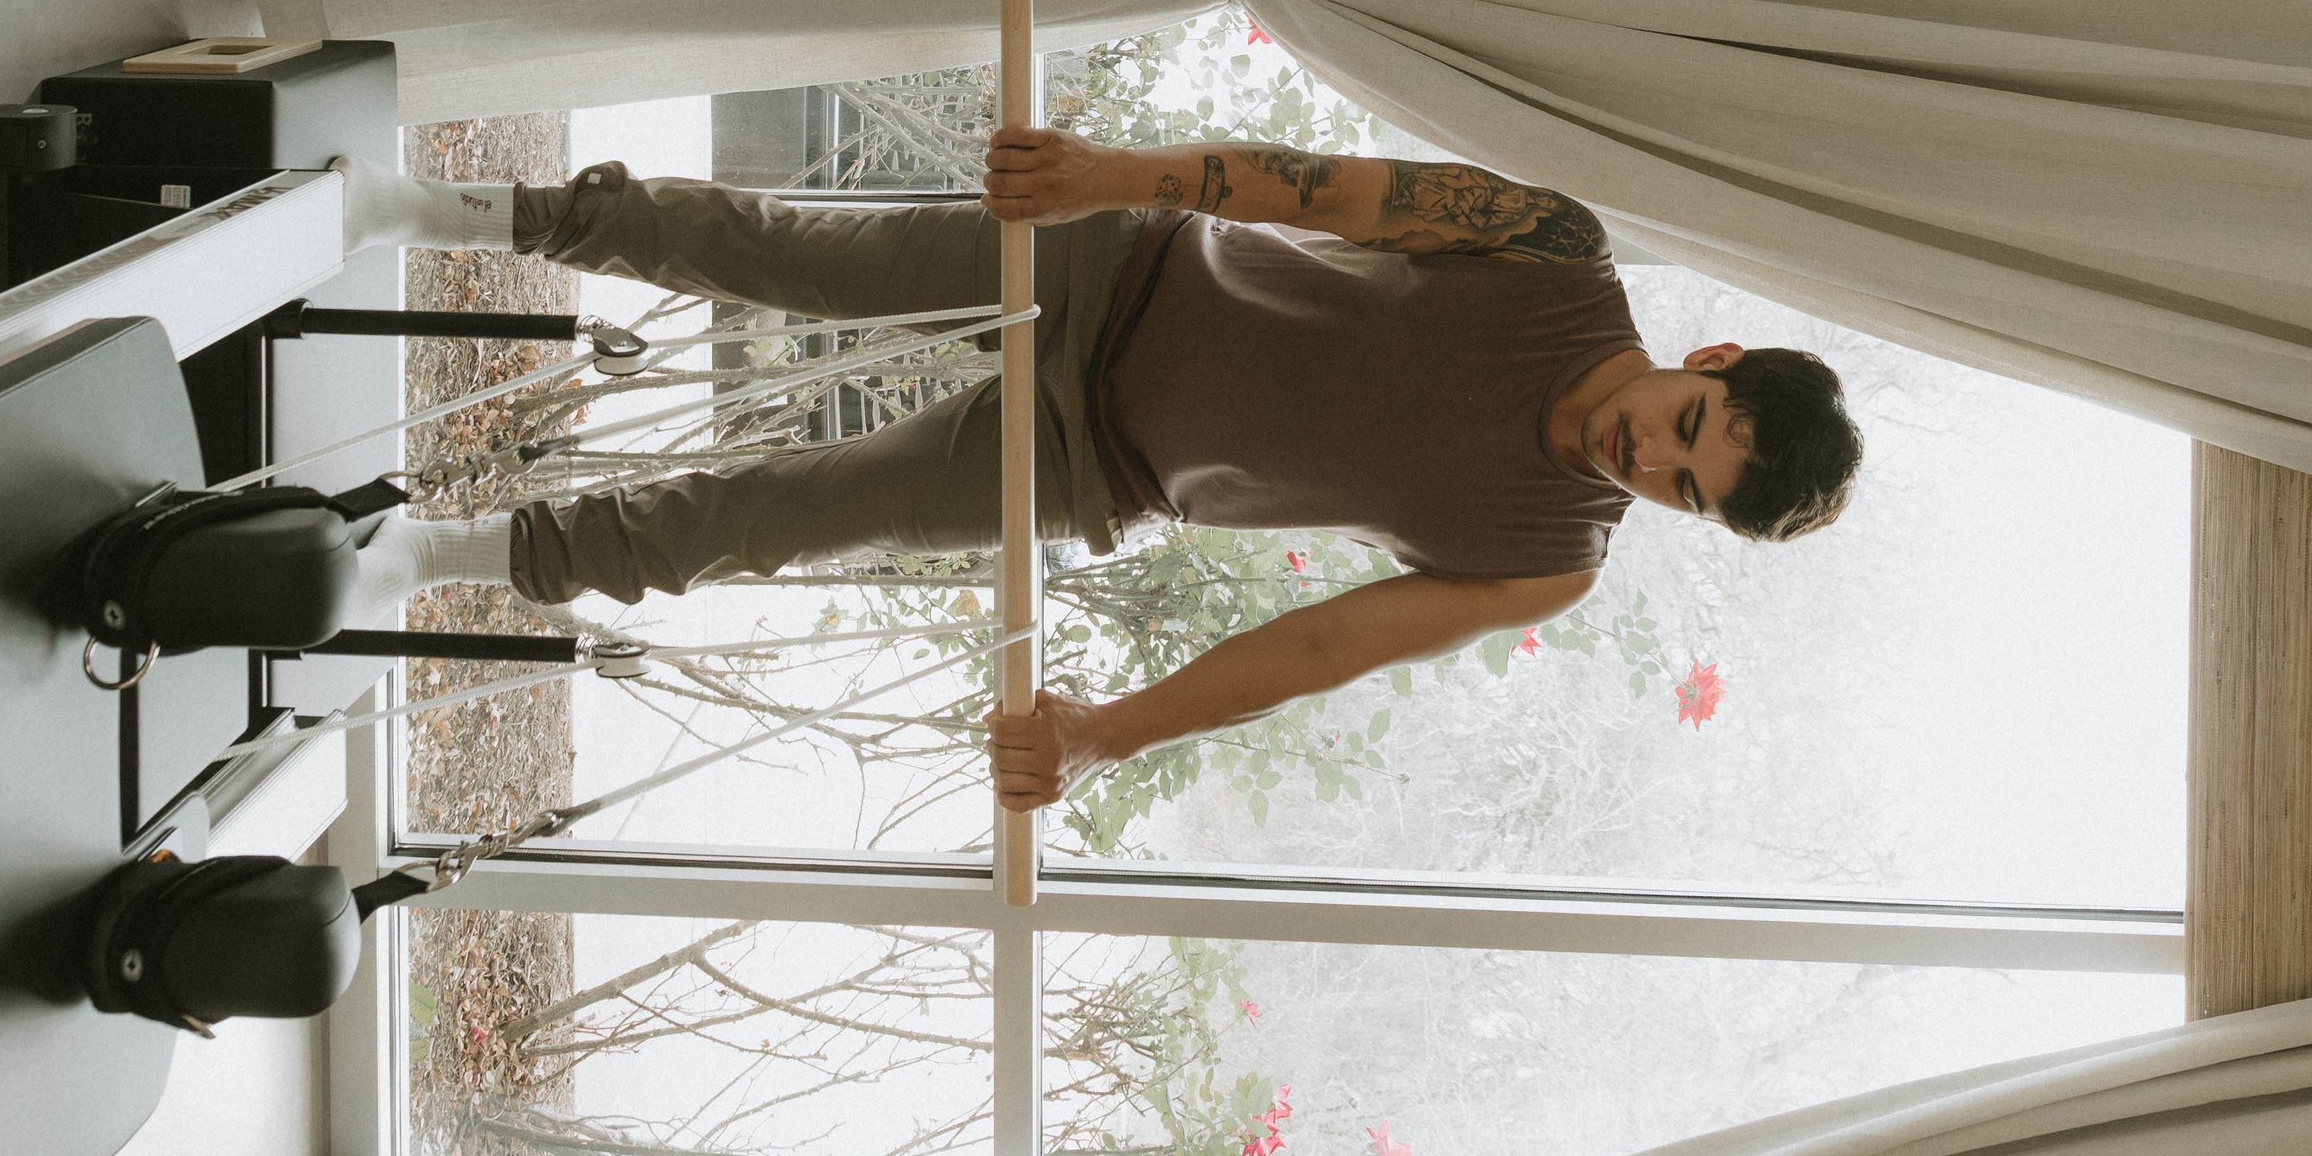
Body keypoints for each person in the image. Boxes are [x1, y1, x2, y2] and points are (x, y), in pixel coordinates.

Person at [337, 129, 1863, 820]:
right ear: (1709, 358)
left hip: (1097, 464)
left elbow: (1326, 646)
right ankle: (451, 205)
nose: (1644, 453)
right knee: (785, 252)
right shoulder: (1558, 252)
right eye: (1684, 425)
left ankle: (453, 553)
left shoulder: (1554, 553)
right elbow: (1333, 187)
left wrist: (1106, 731)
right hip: (1109, 261)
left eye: (1679, 486)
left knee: (782, 516)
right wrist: (1116, 173)